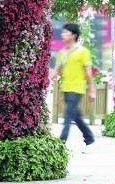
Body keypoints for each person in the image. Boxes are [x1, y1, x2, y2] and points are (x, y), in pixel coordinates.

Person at [50, 23, 96, 154]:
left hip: (77, 89)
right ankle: (90, 139)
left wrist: (92, 90)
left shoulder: (83, 52)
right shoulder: (62, 52)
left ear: (74, 35)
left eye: (66, 32)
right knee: (76, 117)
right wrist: (46, 79)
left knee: (67, 117)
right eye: (63, 32)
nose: (63, 34)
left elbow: (88, 73)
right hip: (66, 88)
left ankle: (60, 145)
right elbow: (57, 71)